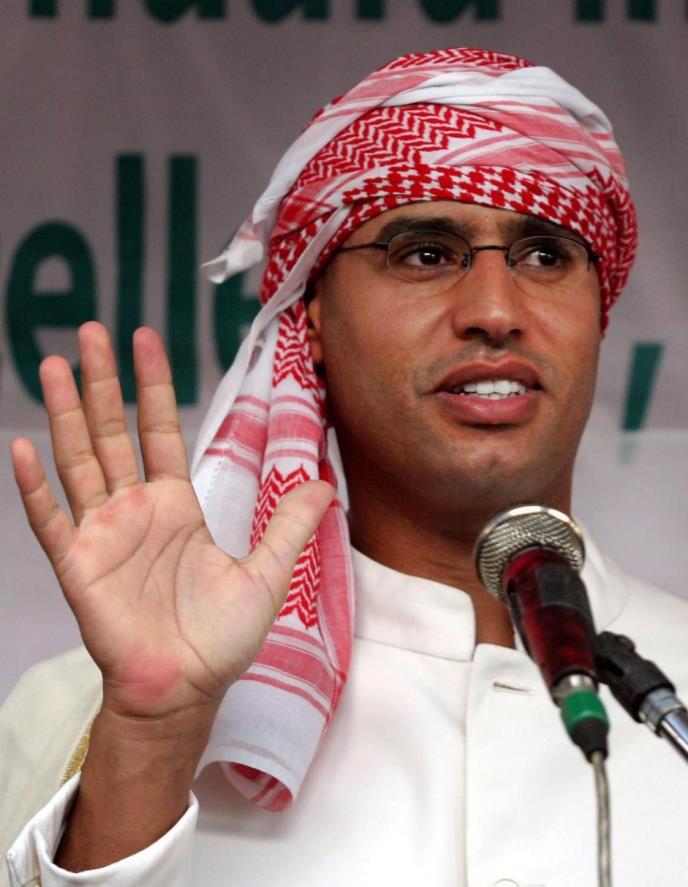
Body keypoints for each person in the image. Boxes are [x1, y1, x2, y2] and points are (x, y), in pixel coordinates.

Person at [2, 47, 688, 887]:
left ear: (599, 309)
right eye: (426, 253)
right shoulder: (95, 709)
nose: (496, 311)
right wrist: (152, 740)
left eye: (546, 254)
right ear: (314, 315)